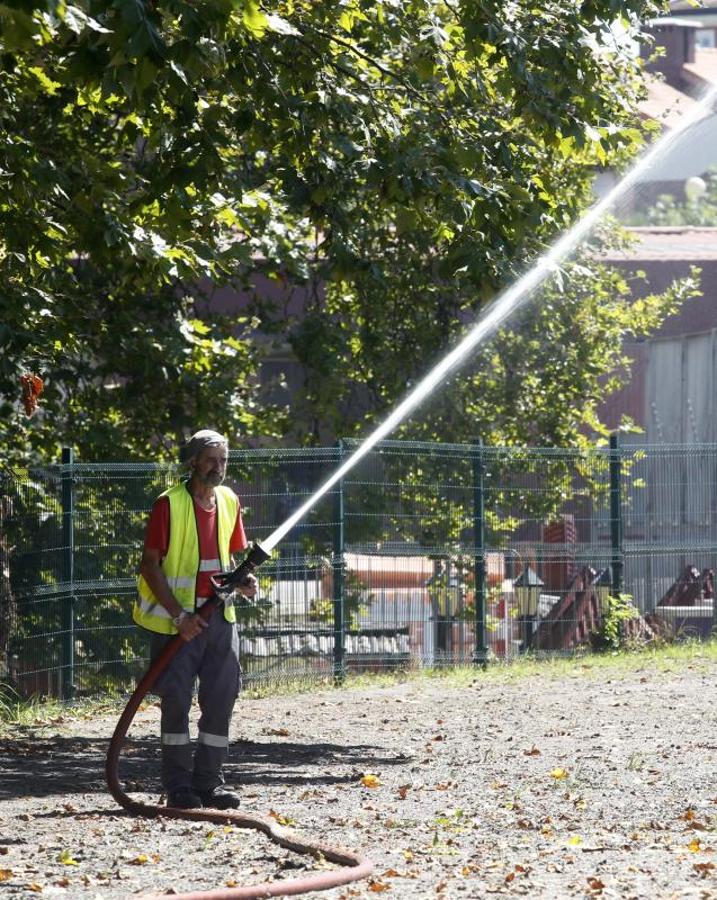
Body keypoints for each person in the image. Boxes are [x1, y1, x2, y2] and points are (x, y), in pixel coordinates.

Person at [133, 429, 257, 810]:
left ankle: (209, 785)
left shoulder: (229, 501)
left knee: (221, 700)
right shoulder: (168, 505)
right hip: (178, 625)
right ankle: (178, 787)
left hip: (220, 620)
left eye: (223, 461)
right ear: (193, 462)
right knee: (176, 703)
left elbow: (228, 561)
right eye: (211, 460)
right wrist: (179, 616)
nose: (218, 468)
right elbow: (150, 566)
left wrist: (245, 581)